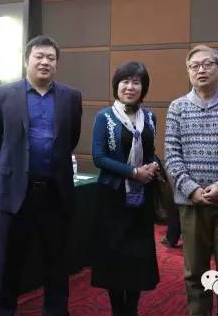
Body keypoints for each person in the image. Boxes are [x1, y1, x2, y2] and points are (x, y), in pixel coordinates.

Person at [0, 35, 82, 316]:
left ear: (57, 64)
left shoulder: (71, 97)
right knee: (8, 260)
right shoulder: (4, 94)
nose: (45, 62)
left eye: (51, 58)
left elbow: (71, 138)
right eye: (39, 56)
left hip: (55, 191)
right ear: (26, 60)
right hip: (15, 191)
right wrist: (15, 165)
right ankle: (4, 311)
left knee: (56, 259)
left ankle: (56, 311)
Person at [165, 45, 218, 316]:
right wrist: (191, 190)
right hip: (191, 204)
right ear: (188, 71)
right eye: (194, 66)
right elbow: (171, 154)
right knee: (194, 272)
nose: (200, 70)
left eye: (207, 64)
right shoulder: (177, 107)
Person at [91, 61, 160, 315]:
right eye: (125, 81)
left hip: (142, 197)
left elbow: (151, 152)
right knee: (115, 254)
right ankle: (117, 308)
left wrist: (153, 166)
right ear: (116, 86)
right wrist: (133, 172)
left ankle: (131, 308)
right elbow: (99, 157)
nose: (130, 87)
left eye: (136, 82)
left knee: (138, 256)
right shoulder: (105, 117)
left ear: (143, 88)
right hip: (113, 197)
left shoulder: (149, 117)